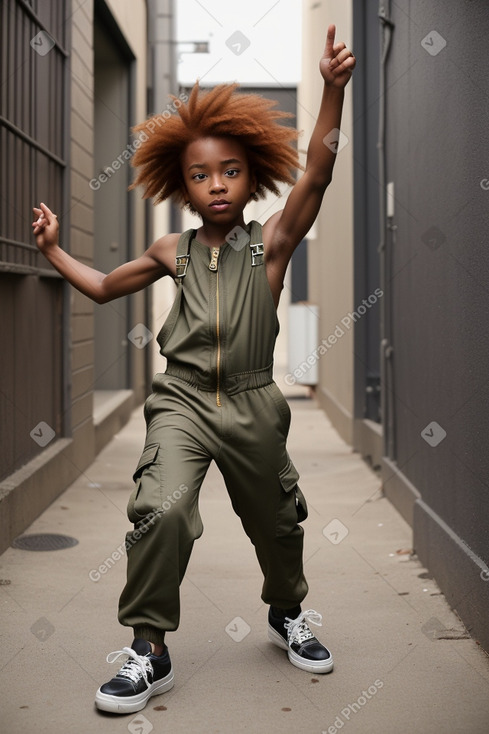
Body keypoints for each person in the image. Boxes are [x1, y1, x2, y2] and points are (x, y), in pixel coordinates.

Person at [32, 24, 355, 715]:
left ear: (251, 175)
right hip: (180, 402)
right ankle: (148, 649)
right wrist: (57, 252)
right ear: (180, 182)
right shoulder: (167, 248)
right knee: (158, 509)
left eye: (230, 171)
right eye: (201, 174)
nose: (216, 185)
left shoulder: (270, 244)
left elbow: (320, 171)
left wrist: (331, 90)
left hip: (253, 404)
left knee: (276, 524)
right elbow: (100, 288)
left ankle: (286, 613)